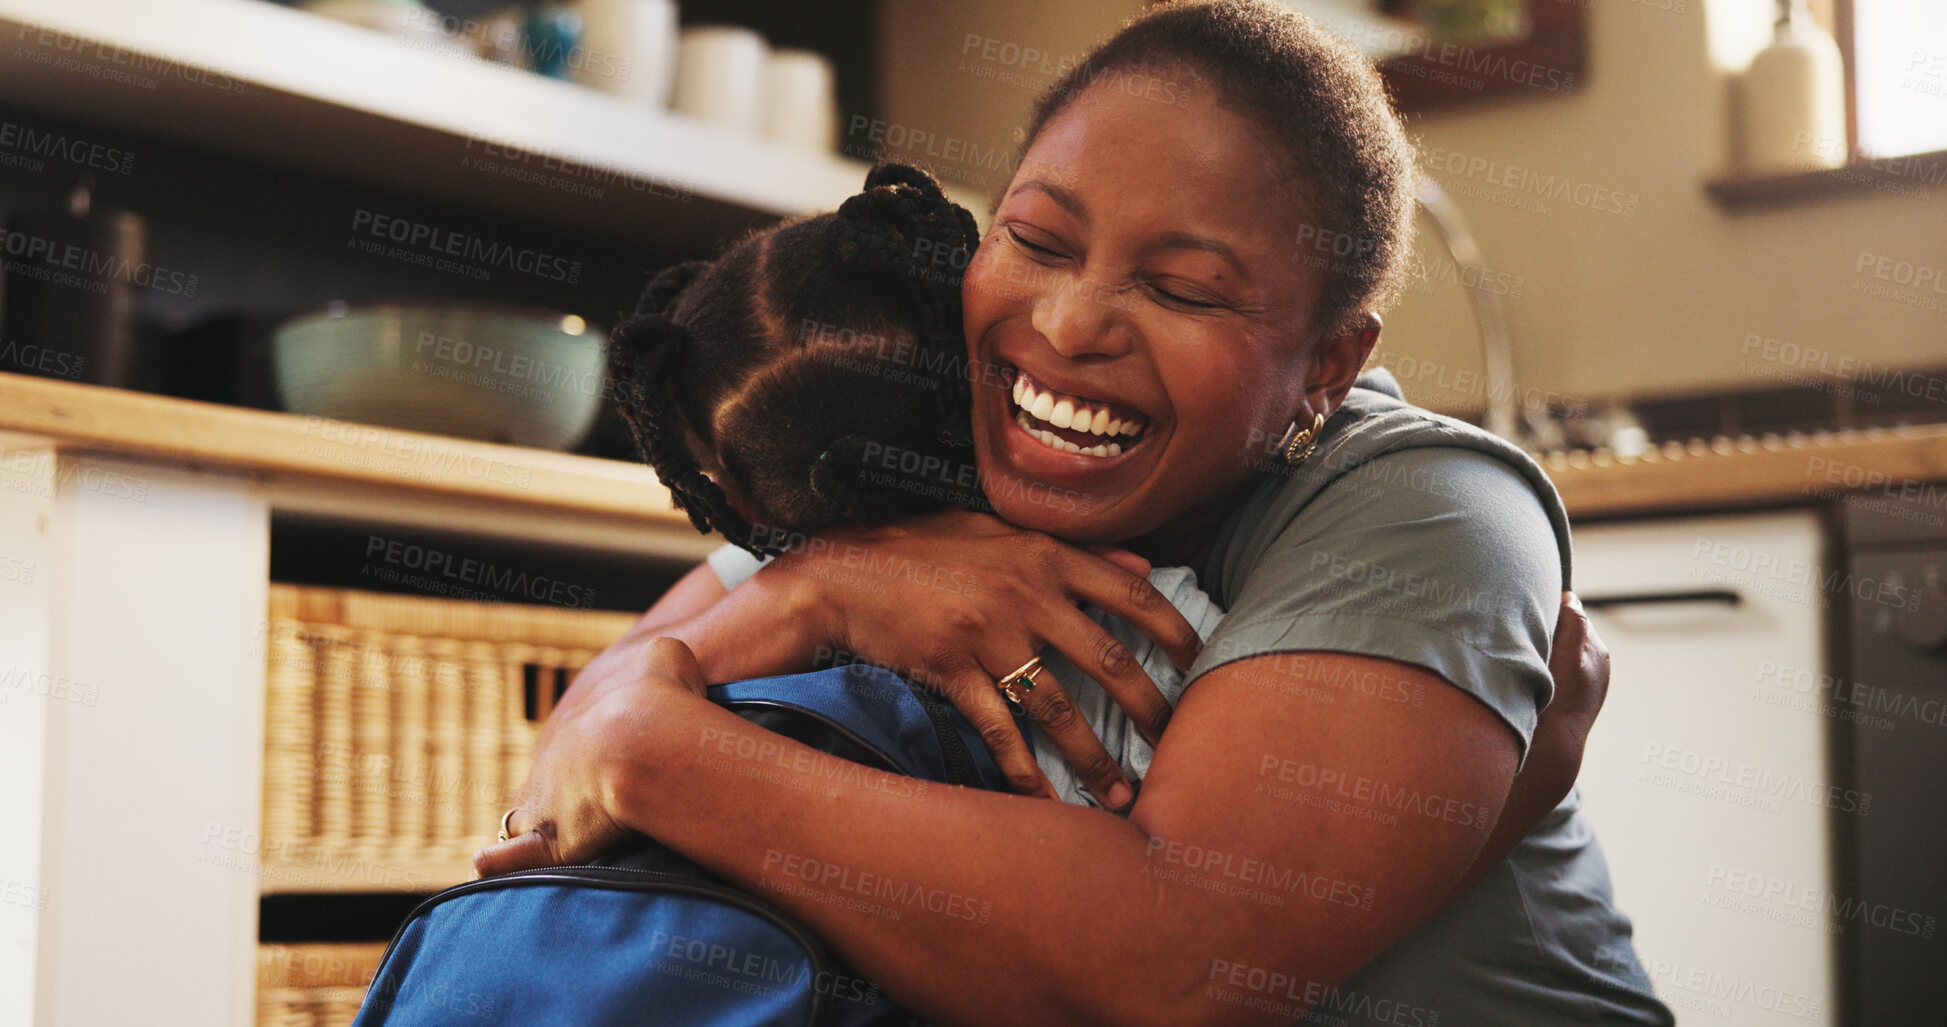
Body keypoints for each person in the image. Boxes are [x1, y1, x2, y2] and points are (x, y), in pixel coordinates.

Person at [478, 2, 1675, 1024]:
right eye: (1036, 239)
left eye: (1182, 287)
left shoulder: (1428, 511)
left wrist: (656, 755)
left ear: (1328, 363)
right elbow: (566, 764)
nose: (1066, 324)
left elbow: (1174, 966)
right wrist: (821, 587)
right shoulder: (946, 465)